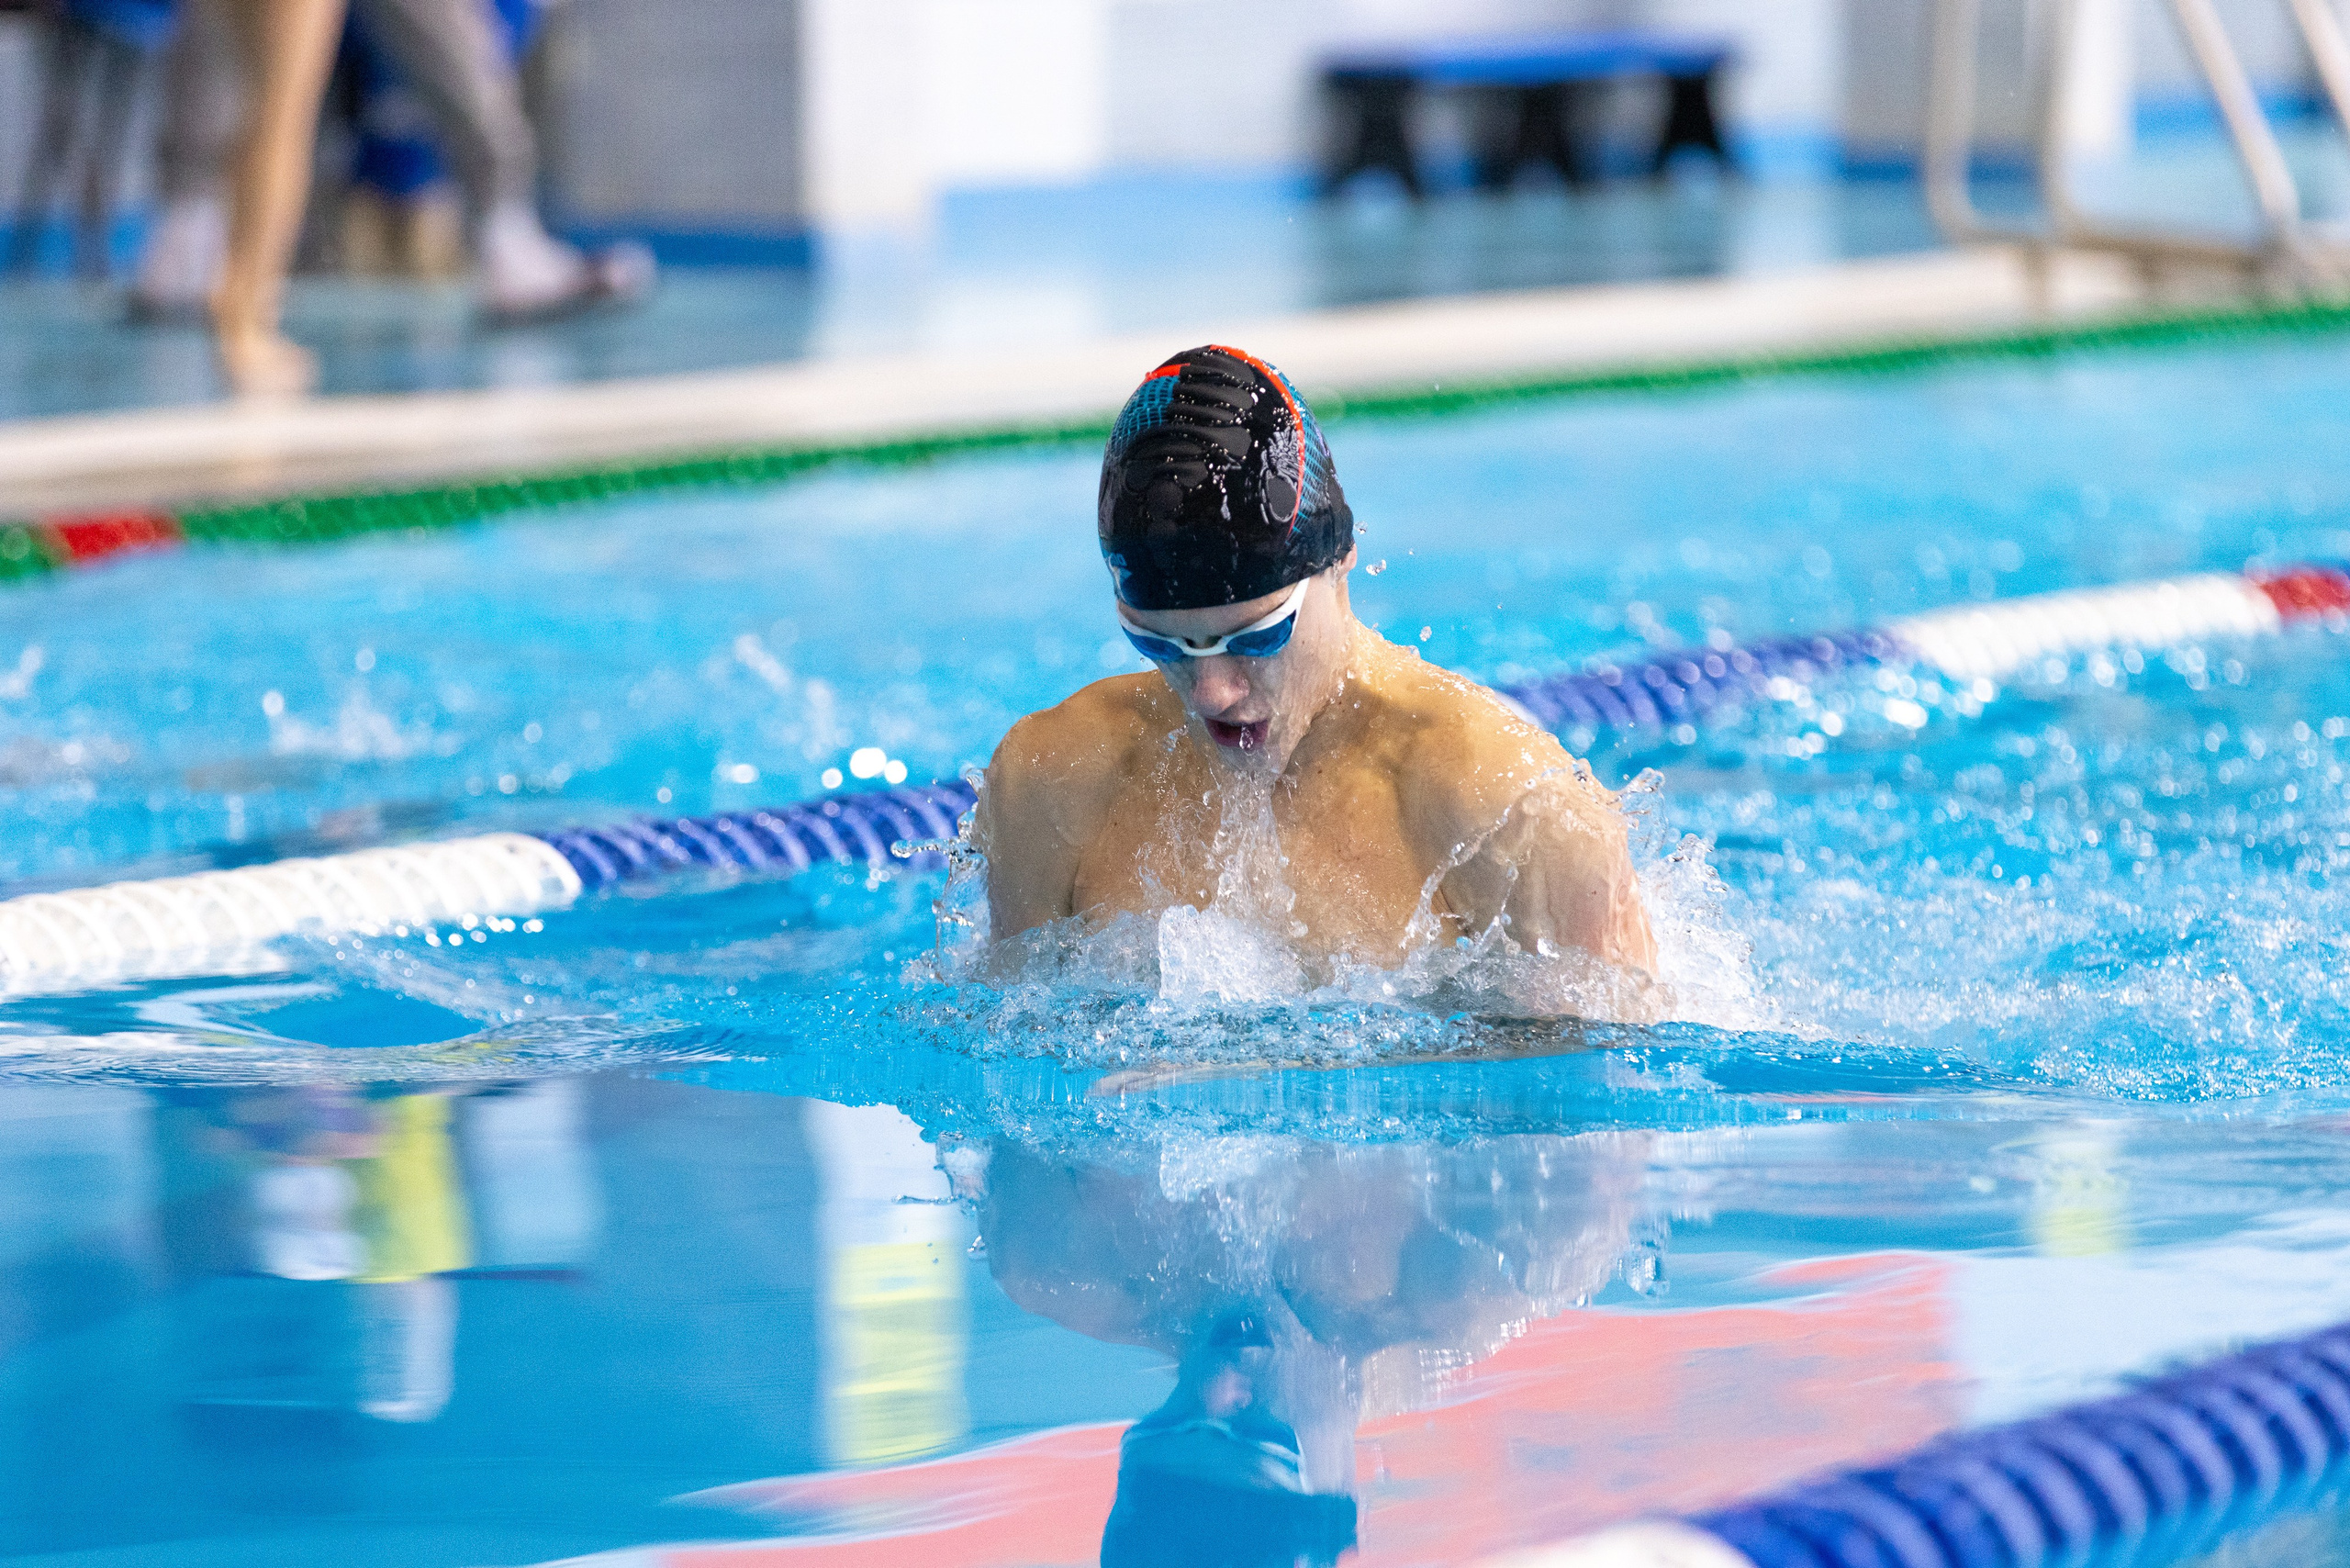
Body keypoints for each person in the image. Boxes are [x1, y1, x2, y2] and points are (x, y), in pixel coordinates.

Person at [976, 344, 1658, 981]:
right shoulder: (1051, 782)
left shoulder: (1507, 809)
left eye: (1256, 637)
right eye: (1161, 645)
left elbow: (1605, 1060)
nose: (1210, 693)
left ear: (1340, 558)